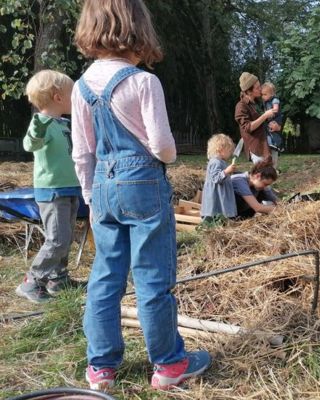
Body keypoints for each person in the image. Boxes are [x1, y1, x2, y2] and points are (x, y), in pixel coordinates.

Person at [71, 0, 211, 391]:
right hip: (142, 184)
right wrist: (163, 153)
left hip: (101, 184)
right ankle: (168, 365)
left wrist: (90, 197)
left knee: (105, 277)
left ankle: (100, 367)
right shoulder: (143, 82)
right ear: (138, 30)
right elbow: (164, 147)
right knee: (152, 277)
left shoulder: (81, 87)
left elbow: (82, 152)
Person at [15, 70, 81, 303]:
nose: (76, 98)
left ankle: (58, 278)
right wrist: (38, 126)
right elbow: (29, 144)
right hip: (52, 191)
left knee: (67, 234)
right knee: (58, 238)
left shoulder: (63, 124)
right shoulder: (41, 124)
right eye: (72, 94)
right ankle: (32, 280)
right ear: (58, 97)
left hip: (69, 187)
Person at [234, 72, 279, 164]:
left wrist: (277, 126)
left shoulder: (258, 103)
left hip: (268, 146)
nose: (261, 89)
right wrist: (265, 115)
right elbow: (247, 127)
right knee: (263, 177)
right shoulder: (241, 106)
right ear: (249, 91)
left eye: (260, 86)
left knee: (271, 176)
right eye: (257, 87)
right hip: (257, 149)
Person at [201, 133, 237, 221]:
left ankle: (221, 220)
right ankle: (212, 221)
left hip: (222, 191)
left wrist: (229, 172)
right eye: (229, 151)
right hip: (216, 193)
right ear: (220, 149)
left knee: (221, 209)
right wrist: (226, 171)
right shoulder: (215, 162)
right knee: (215, 209)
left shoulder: (221, 162)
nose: (230, 153)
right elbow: (215, 178)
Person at [261, 82, 284, 169]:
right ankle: (272, 144)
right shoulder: (265, 102)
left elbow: (276, 109)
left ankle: (277, 144)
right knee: (270, 133)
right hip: (270, 120)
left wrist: (270, 112)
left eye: (265, 94)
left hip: (275, 119)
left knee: (274, 132)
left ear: (272, 94)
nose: (263, 96)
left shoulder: (275, 100)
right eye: (262, 94)